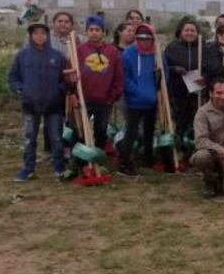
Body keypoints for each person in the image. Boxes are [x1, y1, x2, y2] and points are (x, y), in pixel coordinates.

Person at [8, 22, 69, 181]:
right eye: (35, 33)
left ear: (47, 36)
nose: (39, 36)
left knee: (56, 138)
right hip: (30, 104)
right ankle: (28, 169)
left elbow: (66, 79)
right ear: (31, 36)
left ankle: (60, 169)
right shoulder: (23, 56)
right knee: (29, 138)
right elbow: (13, 77)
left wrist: (59, 90)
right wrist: (20, 89)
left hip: (53, 105)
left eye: (42, 33)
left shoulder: (57, 56)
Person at [119, 24, 171, 175]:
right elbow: (125, 77)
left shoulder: (157, 55)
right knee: (132, 131)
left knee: (149, 130)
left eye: (147, 39)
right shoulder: (129, 54)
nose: (144, 42)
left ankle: (147, 156)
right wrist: (136, 91)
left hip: (152, 100)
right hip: (135, 100)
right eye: (140, 39)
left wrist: (159, 89)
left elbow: (164, 74)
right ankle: (126, 161)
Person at [74, 15, 123, 150]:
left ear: (103, 32)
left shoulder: (112, 52)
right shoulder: (79, 50)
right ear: (87, 32)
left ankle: (99, 156)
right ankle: (81, 161)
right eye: (91, 30)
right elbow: (70, 71)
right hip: (84, 99)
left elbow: (119, 77)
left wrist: (113, 96)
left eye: (97, 30)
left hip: (105, 100)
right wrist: (74, 92)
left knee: (101, 130)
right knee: (81, 130)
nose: (94, 32)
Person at [164, 18, 202, 142]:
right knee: (180, 120)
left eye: (193, 30)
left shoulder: (203, 48)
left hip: (198, 92)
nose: (190, 33)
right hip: (178, 91)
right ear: (181, 32)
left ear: (197, 33)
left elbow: (211, 66)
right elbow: (163, 68)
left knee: (197, 120)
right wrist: (174, 69)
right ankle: (179, 145)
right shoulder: (172, 48)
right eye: (187, 30)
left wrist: (204, 76)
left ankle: (194, 146)